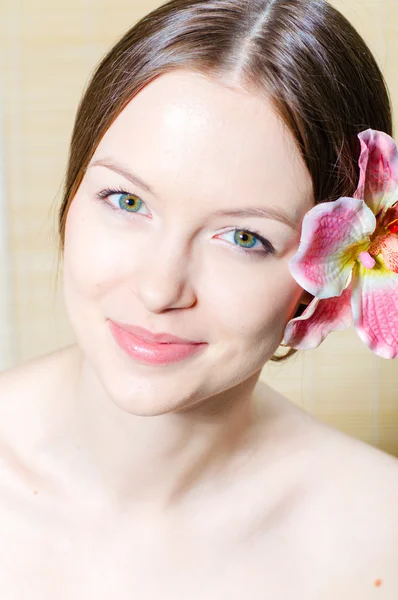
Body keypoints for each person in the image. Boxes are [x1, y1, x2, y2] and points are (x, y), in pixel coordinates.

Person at [0, 0, 397, 596]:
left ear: (324, 280)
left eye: (244, 238)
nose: (160, 289)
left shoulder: (378, 535)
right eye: (126, 202)